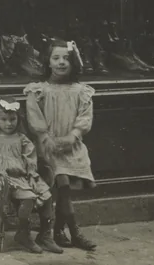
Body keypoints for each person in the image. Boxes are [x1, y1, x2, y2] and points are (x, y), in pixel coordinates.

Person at [24, 39, 97, 251]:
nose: (61, 62)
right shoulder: (38, 90)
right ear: (48, 62)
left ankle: (56, 232)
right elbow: (34, 118)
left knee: (65, 189)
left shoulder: (81, 91)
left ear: (74, 62)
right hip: (48, 146)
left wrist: (74, 135)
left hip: (72, 146)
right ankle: (74, 233)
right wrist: (46, 138)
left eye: (66, 58)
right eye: (56, 58)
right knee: (63, 185)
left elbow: (85, 117)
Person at [0, 98, 64, 254]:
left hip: (22, 176)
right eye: (4, 119)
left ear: (18, 119)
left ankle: (45, 235)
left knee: (47, 196)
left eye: (12, 119)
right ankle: (23, 233)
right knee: (28, 198)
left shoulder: (22, 138)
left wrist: (31, 173)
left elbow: (30, 157)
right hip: (1, 178)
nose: (9, 123)